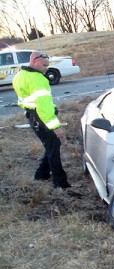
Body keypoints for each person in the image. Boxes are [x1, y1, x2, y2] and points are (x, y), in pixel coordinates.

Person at [12, 51, 71, 189]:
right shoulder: (38, 79)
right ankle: (60, 183)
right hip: (40, 117)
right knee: (53, 147)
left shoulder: (20, 75)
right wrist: (56, 127)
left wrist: (52, 107)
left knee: (51, 145)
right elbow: (43, 106)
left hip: (32, 115)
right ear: (34, 61)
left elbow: (31, 99)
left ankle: (42, 174)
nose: (46, 68)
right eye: (44, 65)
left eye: (47, 65)